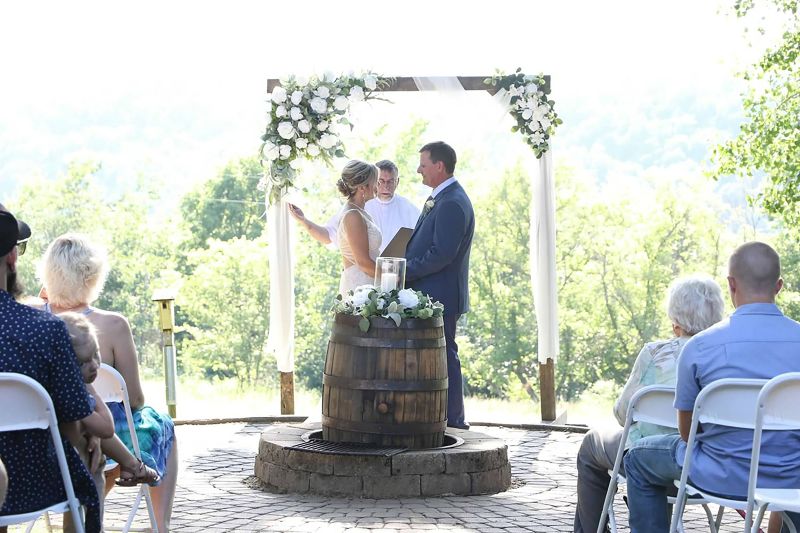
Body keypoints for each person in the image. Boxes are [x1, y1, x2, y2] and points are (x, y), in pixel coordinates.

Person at [623, 242, 800, 533]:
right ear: (778, 286)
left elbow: (686, 432)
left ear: (731, 284)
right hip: (791, 476)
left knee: (638, 459)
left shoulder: (700, 347)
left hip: (719, 474)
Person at [37, 233, 177, 532]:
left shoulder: (32, 318)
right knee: (161, 422)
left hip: (42, 435)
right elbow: (134, 399)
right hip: (101, 439)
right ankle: (160, 525)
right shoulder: (113, 325)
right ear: (93, 276)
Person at [573, 275, 725, 533]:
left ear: (676, 323)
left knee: (591, 445)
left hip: (650, 461)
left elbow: (624, 414)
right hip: (708, 467)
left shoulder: (656, 354)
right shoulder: (725, 355)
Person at [0, 206, 105, 533]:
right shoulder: (46, 330)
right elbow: (73, 416)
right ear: (13, 256)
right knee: (88, 450)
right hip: (40, 480)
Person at [404, 141, 474, 430]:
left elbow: (441, 254)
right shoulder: (442, 198)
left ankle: (455, 418)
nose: (419, 169)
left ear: (439, 166)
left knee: (446, 354)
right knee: (439, 353)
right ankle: (439, 414)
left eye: (423, 163)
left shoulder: (452, 203)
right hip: (432, 293)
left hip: (440, 294)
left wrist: (406, 272)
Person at [58, 313, 160, 506]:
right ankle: (133, 466)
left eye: (96, 354)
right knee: (93, 459)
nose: (94, 365)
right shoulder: (69, 393)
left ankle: (132, 464)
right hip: (61, 469)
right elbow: (106, 428)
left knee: (92, 440)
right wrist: (94, 395)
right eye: (83, 362)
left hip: (63, 455)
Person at [289, 159, 420, 253]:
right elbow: (328, 235)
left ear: (397, 182)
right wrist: (304, 221)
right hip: (368, 274)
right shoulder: (355, 208)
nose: (385, 186)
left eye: (390, 181)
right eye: (380, 181)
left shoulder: (410, 210)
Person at [324, 160, 381, 294]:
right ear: (362, 187)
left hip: (370, 284)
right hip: (360, 288)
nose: (377, 186)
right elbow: (363, 263)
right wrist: (396, 276)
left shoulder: (360, 212)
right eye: (375, 181)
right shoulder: (353, 215)